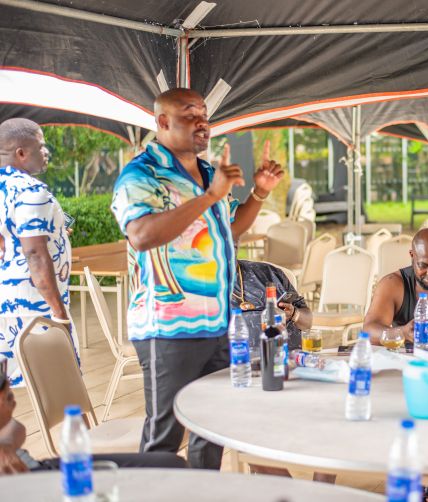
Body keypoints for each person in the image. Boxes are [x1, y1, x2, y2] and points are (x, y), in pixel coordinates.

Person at [110, 88, 283, 469]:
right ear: (163, 121)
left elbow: (231, 229)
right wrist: (209, 197)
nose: (202, 122)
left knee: (212, 427)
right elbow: (141, 235)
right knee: (165, 437)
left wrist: (259, 192)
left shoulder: (208, 173)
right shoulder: (141, 174)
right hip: (168, 326)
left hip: (218, 323)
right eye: (190, 114)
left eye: (204, 114)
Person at [0, 118, 77, 387]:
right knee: (60, 387)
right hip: (35, 308)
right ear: (21, 153)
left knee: (7, 391)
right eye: (41, 146)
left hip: (5, 302)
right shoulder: (31, 190)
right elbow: (34, 253)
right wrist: (59, 313)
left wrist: (55, 237)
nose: (46, 152)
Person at [0, 372, 186, 474]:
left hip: (38, 470)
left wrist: (6, 445)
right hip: (29, 484)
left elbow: (16, 427)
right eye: (7, 398)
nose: (13, 402)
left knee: (172, 465)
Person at [232, 259, 312, 349]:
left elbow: (307, 324)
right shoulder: (218, 298)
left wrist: (294, 314)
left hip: (293, 354)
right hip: (240, 356)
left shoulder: (270, 273)